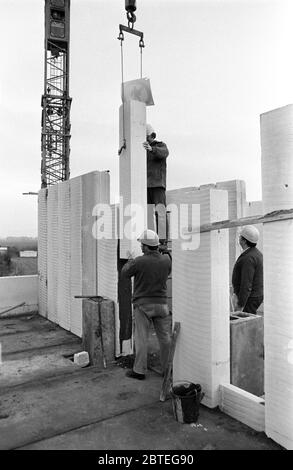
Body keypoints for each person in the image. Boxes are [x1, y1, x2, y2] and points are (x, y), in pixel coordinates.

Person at [121, 229, 172, 380]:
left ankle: (139, 371)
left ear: (147, 246)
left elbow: (125, 273)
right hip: (162, 305)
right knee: (165, 339)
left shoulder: (139, 261)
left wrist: (130, 261)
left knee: (141, 338)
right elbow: (167, 269)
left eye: (142, 245)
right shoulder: (166, 260)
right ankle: (168, 370)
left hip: (143, 305)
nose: (141, 247)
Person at [143, 124, 169, 245]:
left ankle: (162, 241)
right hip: (146, 186)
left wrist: (152, 149)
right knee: (149, 214)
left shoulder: (160, 145)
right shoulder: (143, 148)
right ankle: (151, 240)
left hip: (158, 185)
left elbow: (164, 153)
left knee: (160, 212)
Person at [232, 225, 263, 314]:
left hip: (250, 298)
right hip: (254, 296)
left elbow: (246, 283)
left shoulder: (249, 258)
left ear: (244, 241)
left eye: (240, 237)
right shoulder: (256, 254)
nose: (239, 239)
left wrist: (240, 304)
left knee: (246, 323)